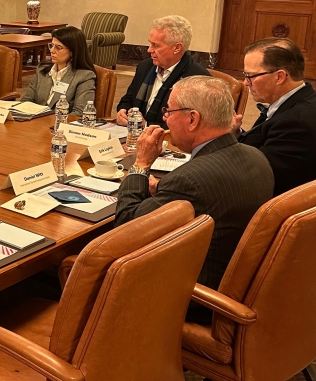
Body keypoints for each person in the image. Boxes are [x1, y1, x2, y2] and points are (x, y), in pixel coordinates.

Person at [114, 76, 274, 321]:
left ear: (192, 119)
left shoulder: (189, 181)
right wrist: (164, 189)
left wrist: (141, 164)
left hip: (194, 298)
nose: (165, 119)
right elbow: (210, 194)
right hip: (238, 283)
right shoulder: (256, 157)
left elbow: (126, 226)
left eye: (169, 111)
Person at [236, 38, 316, 196]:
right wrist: (235, 132)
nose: (245, 83)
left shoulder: (298, 122)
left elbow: (255, 176)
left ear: (280, 77)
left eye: (250, 76)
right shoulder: (297, 102)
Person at [115, 15, 209, 128]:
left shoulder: (196, 79)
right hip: (132, 132)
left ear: (177, 48)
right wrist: (123, 111)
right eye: (150, 43)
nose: (149, 50)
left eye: (155, 45)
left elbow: (191, 125)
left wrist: (147, 125)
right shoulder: (145, 67)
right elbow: (128, 99)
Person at [18, 26, 96, 113]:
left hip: (61, 121)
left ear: (73, 51)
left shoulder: (84, 76)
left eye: (58, 47)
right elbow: (27, 100)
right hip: (35, 119)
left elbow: (79, 112)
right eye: (51, 45)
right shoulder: (43, 70)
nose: (52, 50)